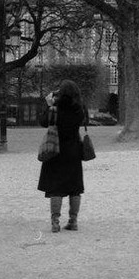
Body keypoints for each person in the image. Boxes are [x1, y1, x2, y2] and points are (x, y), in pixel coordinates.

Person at [37, 80, 88, 232]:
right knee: (75, 188)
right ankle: (73, 221)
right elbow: (86, 121)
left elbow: (43, 122)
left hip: (55, 150)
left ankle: (55, 222)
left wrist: (48, 104)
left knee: (55, 188)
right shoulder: (79, 109)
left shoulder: (55, 109)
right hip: (73, 151)